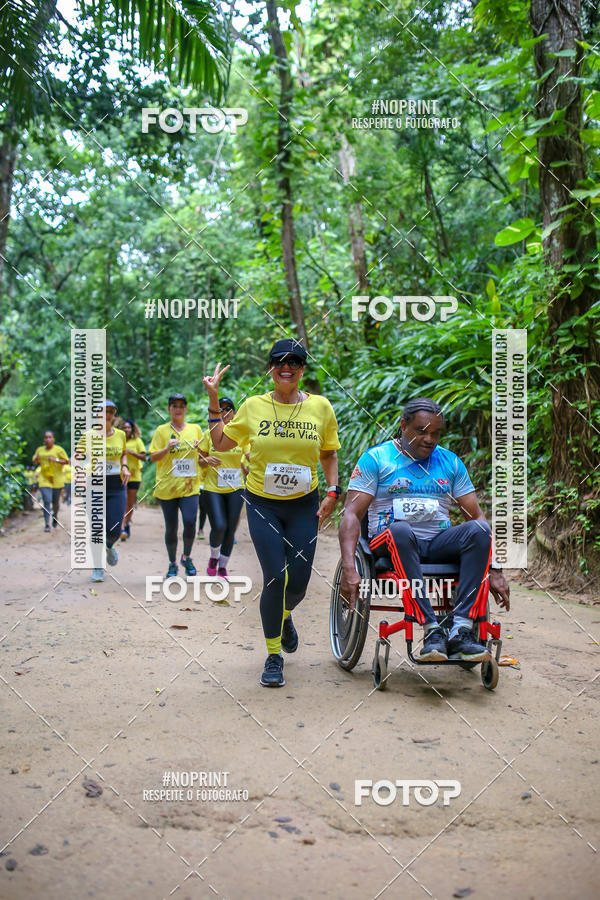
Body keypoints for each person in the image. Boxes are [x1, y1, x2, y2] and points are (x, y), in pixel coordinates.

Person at [204, 338, 341, 688]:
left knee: (298, 584)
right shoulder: (252, 406)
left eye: (295, 361)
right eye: (279, 361)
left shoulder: (321, 407)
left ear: (303, 369)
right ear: (270, 368)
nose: (287, 367)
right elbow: (220, 443)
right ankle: (273, 655)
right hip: (263, 503)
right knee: (275, 578)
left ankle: (284, 615)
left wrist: (333, 489)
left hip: (304, 504)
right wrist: (213, 398)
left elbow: (328, 453)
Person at [339, 397, 510, 662]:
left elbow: (476, 516)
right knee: (402, 531)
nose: (429, 439)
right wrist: (350, 567)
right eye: (421, 431)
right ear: (403, 425)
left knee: (478, 530)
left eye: (435, 433)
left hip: (437, 542)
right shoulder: (377, 459)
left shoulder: (450, 462)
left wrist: (495, 568)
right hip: (391, 539)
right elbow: (351, 513)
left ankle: (461, 630)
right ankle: (432, 629)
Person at [149, 394, 203, 578]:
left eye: (181, 406)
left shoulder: (195, 429)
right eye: (174, 406)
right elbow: (153, 457)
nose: (178, 409)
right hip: (167, 487)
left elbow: (204, 454)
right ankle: (172, 563)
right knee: (171, 527)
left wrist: (200, 448)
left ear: (186, 409)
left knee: (190, 522)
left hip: (190, 487)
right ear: (169, 409)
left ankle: (186, 556)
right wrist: (167, 448)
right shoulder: (161, 431)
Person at [76, 400, 129, 582]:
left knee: (114, 528)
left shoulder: (121, 434)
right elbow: (76, 458)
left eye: (111, 412)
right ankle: (98, 567)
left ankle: (109, 546)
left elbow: (123, 453)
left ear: (114, 415)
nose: (107, 415)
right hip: (94, 485)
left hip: (116, 485)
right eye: (103, 411)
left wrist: (125, 467)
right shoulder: (88, 435)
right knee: (97, 527)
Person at [197, 397, 247, 579]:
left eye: (228, 409)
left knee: (231, 528)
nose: (225, 413)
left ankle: (223, 567)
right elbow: (200, 462)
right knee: (219, 526)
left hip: (235, 488)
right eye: (221, 409)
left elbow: (250, 454)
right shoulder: (209, 433)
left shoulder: (241, 435)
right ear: (216, 413)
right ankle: (213, 557)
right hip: (213, 488)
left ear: (234, 413)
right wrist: (206, 460)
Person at [32, 431, 69, 532]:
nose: (48, 439)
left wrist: (56, 460)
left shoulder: (59, 449)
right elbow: (35, 462)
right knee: (47, 500)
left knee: (55, 503)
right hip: (44, 479)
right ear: (44, 440)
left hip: (57, 479)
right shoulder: (40, 450)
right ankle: (47, 524)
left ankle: (55, 516)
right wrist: (36, 459)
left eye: (50, 437)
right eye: (46, 437)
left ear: (53, 439)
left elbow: (67, 461)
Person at [117, 418, 146, 540]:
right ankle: (122, 528)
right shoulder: (117, 441)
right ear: (121, 429)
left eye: (129, 427)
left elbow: (144, 457)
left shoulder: (137, 441)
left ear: (132, 429)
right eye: (124, 427)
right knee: (121, 503)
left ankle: (127, 524)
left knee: (130, 504)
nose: (127, 429)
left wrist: (131, 452)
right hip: (120, 476)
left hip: (134, 477)